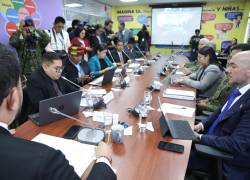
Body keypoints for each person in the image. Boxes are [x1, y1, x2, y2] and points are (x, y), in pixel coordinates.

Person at [0, 45, 117, 180]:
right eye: (57, 69)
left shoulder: (58, 76)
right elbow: (41, 105)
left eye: (61, 68)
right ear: (13, 98)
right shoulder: (46, 160)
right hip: (43, 124)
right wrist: (103, 159)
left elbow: (69, 87)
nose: (60, 71)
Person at [188, 51, 250, 180]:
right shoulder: (238, 89)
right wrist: (201, 125)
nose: (227, 70)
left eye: (233, 66)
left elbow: (235, 144)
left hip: (219, 158)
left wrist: (200, 137)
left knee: (168, 156)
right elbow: (220, 112)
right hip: (208, 142)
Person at [197, 43, 250, 112]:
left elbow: (226, 110)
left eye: (234, 65)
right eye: (230, 57)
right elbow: (217, 97)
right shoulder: (230, 76)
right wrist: (207, 100)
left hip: (210, 111)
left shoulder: (238, 83)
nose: (229, 60)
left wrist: (206, 106)